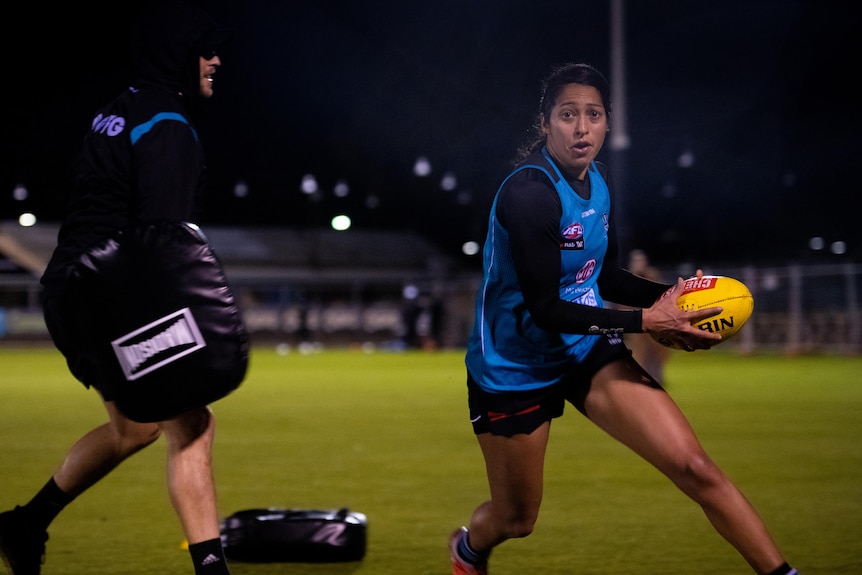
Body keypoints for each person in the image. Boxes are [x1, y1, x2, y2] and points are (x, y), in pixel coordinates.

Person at [450, 62, 800, 575]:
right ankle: (469, 549)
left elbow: (604, 276)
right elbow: (546, 309)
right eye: (568, 114)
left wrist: (675, 299)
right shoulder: (530, 195)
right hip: (514, 368)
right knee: (516, 518)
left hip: (584, 349)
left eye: (593, 114)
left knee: (695, 468)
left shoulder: (599, 184)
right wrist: (646, 322)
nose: (581, 127)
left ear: (607, 123)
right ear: (546, 123)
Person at [0, 2, 237, 574]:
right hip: (113, 294)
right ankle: (213, 570)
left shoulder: (118, 110)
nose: (216, 61)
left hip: (72, 289)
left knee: (134, 429)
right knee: (193, 423)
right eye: (205, 51)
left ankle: (25, 524)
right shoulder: (170, 127)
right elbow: (163, 242)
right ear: (180, 56)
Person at [622, 249, 671, 381]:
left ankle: (657, 376)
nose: (639, 263)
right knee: (638, 350)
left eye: (640, 260)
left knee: (656, 350)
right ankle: (641, 376)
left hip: (653, 319)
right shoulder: (625, 277)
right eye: (636, 260)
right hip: (636, 321)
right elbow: (623, 303)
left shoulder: (652, 274)